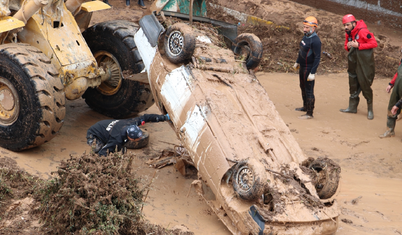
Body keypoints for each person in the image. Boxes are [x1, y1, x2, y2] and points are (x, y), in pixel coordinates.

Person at [340, 14, 377, 120]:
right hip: (353, 60)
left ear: (353, 23)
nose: (345, 27)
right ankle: (352, 107)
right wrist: (347, 46)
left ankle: (370, 109)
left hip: (364, 61)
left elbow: (374, 44)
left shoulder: (363, 31)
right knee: (352, 82)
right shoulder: (348, 33)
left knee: (364, 83)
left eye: (347, 25)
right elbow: (346, 45)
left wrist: (359, 46)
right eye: (344, 25)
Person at [87, 114, 170, 156]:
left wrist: (164, 117)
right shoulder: (117, 140)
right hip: (94, 134)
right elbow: (103, 153)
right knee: (99, 150)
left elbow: (146, 117)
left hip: (105, 127)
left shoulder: (131, 123)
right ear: (131, 139)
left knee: (120, 149)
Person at [293, 16, 321, 119]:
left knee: (309, 90)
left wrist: (313, 72)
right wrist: (297, 62)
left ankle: (310, 113)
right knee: (302, 87)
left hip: (309, 68)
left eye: (307, 27)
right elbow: (301, 51)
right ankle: (305, 106)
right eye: (304, 27)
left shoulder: (316, 41)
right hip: (302, 67)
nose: (304, 29)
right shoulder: (305, 36)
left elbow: (317, 57)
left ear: (313, 28)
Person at [379, 58, 402, 138]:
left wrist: (398, 104)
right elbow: (398, 73)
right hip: (397, 88)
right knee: (391, 108)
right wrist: (391, 84)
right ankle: (390, 131)